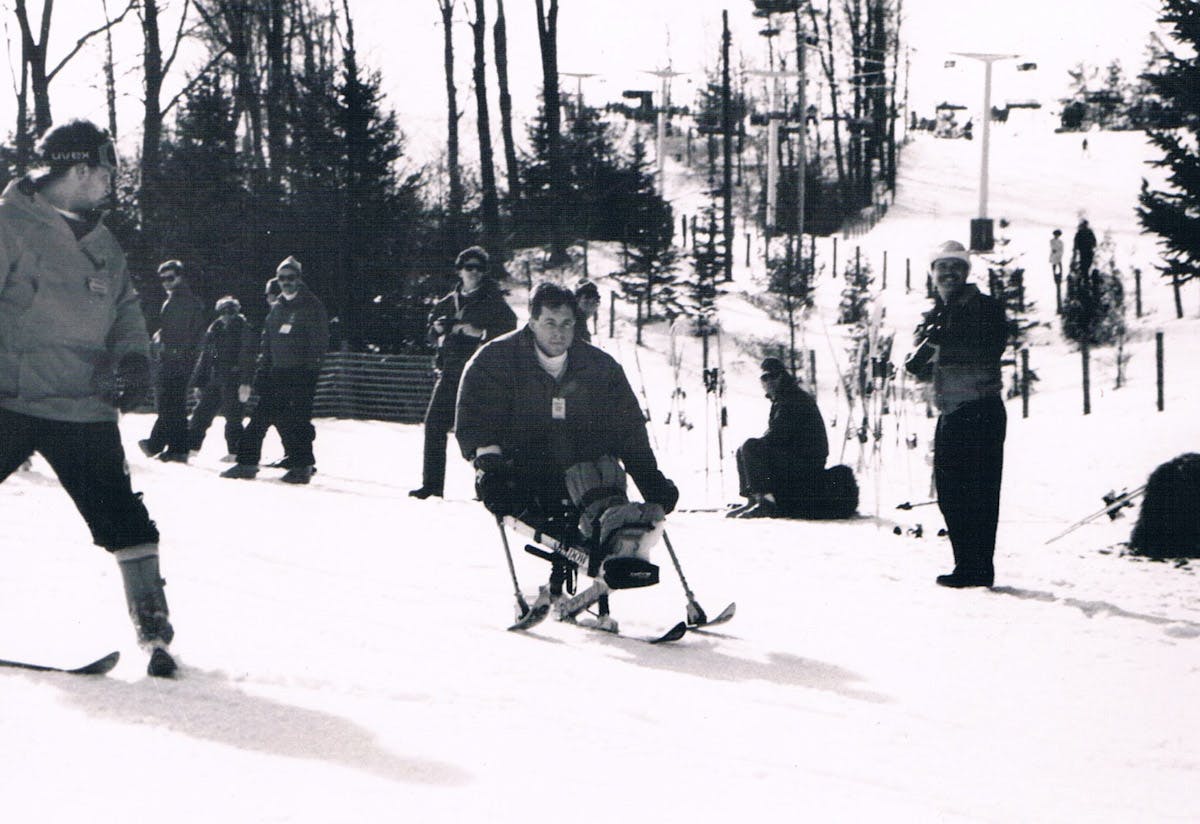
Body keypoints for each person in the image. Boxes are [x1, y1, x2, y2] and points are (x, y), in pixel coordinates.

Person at [0, 119, 176, 676]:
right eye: (106, 171)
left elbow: (126, 311)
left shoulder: (105, 244)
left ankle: (155, 631)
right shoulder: (9, 224)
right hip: (8, 397)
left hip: (82, 406)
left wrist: (131, 359)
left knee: (123, 516)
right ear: (79, 170)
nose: (110, 183)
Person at [455, 282, 678, 623]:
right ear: (531, 322)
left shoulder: (599, 367)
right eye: (550, 323)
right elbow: (476, 418)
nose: (559, 333)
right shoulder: (496, 360)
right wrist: (488, 466)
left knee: (599, 471)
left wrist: (649, 477)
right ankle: (609, 547)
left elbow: (628, 426)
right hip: (520, 467)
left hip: (581, 469)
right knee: (573, 477)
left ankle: (620, 544)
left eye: (567, 324)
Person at [914, 240, 1008, 588]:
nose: (949, 273)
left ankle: (978, 568)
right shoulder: (938, 313)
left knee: (979, 493)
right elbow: (930, 366)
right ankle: (966, 564)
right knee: (951, 492)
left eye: (956, 267)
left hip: (980, 408)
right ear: (934, 276)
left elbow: (989, 346)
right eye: (942, 268)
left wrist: (942, 342)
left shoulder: (985, 307)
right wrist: (921, 360)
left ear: (966, 272)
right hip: (952, 410)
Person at [409, 246, 516, 499]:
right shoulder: (448, 302)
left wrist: (480, 333)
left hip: (480, 375)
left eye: (479, 268)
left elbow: (509, 330)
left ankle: (487, 487)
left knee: (480, 432)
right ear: (460, 271)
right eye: (469, 267)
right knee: (434, 425)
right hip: (449, 372)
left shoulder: (493, 302)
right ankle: (432, 486)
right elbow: (430, 335)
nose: (474, 272)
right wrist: (437, 330)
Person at [221, 256, 329, 484]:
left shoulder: (311, 306)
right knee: (259, 418)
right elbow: (267, 341)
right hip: (277, 374)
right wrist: (264, 370)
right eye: (281, 278)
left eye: (290, 278)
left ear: (299, 279)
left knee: (297, 421)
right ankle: (247, 463)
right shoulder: (277, 307)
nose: (286, 282)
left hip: (300, 374)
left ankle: (302, 467)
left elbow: (318, 343)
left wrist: (310, 373)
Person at [728, 358, 829, 519]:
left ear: (782, 377)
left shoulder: (793, 399)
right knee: (745, 449)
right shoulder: (783, 398)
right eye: (764, 378)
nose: (768, 382)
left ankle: (767, 503)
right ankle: (753, 499)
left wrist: (756, 447)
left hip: (808, 463)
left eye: (772, 376)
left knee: (750, 447)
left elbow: (779, 435)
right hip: (798, 457)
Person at [138, 259, 207, 463]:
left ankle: (168, 447)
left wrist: (171, 350)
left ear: (180, 277)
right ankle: (171, 447)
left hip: (176, 360)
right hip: (177, 359)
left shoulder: (181, 301)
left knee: (171, 405)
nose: (166, 282)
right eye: (163, 279)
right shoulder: (178, 300)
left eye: (170, 277)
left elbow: (184, 334)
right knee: (173, 405)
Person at [187, 296, 256, 460]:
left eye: (230, 311)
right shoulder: (215, 328)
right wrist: (198, 382)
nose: (226, 315)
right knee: (201, 414)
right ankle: (190, 447)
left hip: (234, 378)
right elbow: (206, 356)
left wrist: (245, 382)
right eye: (223, 311)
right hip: (215, 378)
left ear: (236, 311)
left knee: (233, 417)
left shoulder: (244, 328)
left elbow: (248, 355)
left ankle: (235, 452)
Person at [573, 279, 601, 343]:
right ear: (577, 301)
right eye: (586, 302)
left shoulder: (580, 321)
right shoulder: (576, 323)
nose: (590, 307)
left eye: (594, 302)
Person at [1049, 228, 1064, 314]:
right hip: (1054, 256)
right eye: (1055, 234)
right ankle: (1055, 276)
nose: (1056, 236)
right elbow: (1052, 249)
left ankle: (1059, 276)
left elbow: (1061, 250)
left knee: (1059, 266)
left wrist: (1058, 253)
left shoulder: (1061, 242)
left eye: (1057, 235)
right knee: (1054, 266)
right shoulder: (1052, 241)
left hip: (1058, 256)